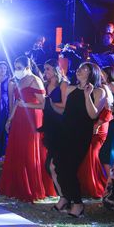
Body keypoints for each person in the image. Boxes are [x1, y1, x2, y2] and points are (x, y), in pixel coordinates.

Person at [52, 62, 107, 218]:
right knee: (59, 166)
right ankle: (66, 198)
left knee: (70, 168)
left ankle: (78, 203)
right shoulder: (70, 89)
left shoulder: (99, 91)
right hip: (65, 132)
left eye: (84, 68)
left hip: (80, 135)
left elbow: (92, 115)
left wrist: (87, 95)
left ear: (92, 73)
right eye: (79, 67)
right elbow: (66, 112)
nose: (79, 70)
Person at [0, 56, 53, 202]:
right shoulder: (19, 80)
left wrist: (27, 105)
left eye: (18, 68)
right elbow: (17, 102)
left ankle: (31, 187)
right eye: (15, 68)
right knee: (18, 150)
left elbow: (44, 105)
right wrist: (9, 119)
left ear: (27, 67)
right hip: (18, 118)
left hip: (32, 119)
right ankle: (17, 185)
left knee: (29, 151)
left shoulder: (36, 80)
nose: (16, 70)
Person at [40, 59, 68, 195]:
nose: (45, 72)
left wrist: (50, 102)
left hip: (59, 124)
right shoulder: (45, 84)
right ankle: (61, 194)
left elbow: (65, 106)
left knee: (55, 163)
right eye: (45, 69)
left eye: (48, 69)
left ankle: (64, 195)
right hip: (47, 123)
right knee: (49, 163)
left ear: (56, 69)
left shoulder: (63, 84)